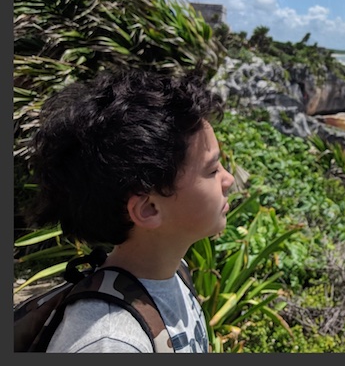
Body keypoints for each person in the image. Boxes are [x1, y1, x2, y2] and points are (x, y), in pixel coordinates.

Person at [25, 67, 234, 352]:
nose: (229, 179)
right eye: (211, 170)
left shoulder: (174, 271)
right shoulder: (112, 341)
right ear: (148, 209)